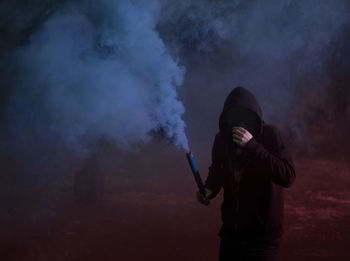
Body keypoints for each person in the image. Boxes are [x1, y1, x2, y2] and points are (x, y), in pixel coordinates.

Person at [197, 86, 296, 261]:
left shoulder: (271, 135)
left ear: (256, 119)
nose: (240, 125)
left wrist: (253, 147)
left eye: (246, 119)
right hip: (231, 235)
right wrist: (209, 190)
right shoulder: (221, 139)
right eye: (234, 119)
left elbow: (288, 176)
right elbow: (217, 170)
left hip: (262, 240)